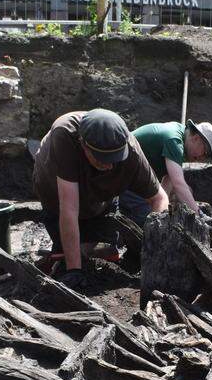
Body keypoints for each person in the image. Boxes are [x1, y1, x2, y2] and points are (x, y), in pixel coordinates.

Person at [32, 109, 168, 288]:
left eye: (115, 159)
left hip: (101, 200)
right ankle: (63, 256)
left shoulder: (132, 154)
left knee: (105, 251)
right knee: (66, 258)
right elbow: (69, 208)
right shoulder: (65, 136)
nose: (110, 165)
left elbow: (160, 199)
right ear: (83, 144)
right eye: (102, 159)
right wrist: (74, 271)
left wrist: (157, 247)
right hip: (56, 195)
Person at [119, 120, 212, 228]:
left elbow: (168, 183)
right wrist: (200, 216)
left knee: (156, 220)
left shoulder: (180, 136)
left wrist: (165, 213)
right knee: (144, 220)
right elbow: (178, 184)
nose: (202, 159)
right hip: (123, 173)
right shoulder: (174, 141)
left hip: (134, 177)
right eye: (205, 153)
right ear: (196, 138)